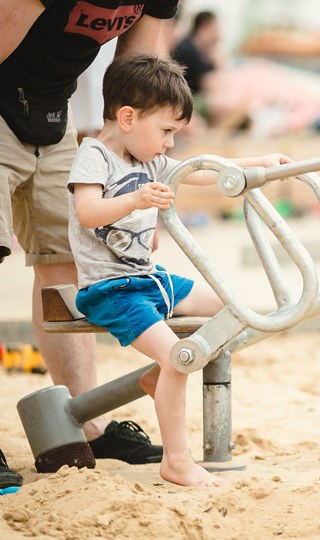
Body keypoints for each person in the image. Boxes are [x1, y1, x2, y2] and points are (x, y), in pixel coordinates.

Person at [68, 54, 291, 486]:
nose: (170, 143)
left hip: (152, 280)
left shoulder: (150, 160)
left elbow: (202, 170)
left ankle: (159, 377)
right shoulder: (94, 155)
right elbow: (88, 212)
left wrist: (261, 162)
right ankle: (175, 460)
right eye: (166, 131)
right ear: (128, 117)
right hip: (111, 290)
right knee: (179, 358)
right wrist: (134, 200)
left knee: (232, 309)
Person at [0, 0, 179, 491]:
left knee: (68, 257)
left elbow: (136, 83)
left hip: (52, 114)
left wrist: (130, 174)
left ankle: (82, 424)